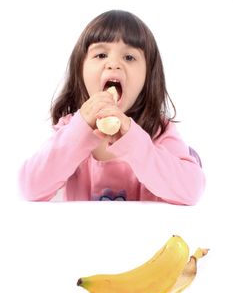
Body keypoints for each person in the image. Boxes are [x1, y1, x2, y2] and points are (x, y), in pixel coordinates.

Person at [19, 10, 205, 204]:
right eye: (100, 55)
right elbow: (30, 187)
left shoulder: (158, 130)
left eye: (129, 57)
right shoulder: (70, 128)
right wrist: (78, 132)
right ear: (79, 69)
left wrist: (134, 141)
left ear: (148, 76)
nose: (113, 64)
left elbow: (192, 190)